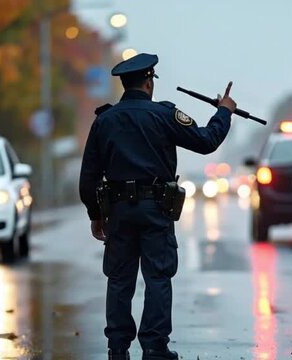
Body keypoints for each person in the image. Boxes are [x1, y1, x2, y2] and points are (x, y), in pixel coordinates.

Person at [79, 53, 237, 360]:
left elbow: (88, 178)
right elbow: (206, 141)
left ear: (125, 84)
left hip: (119, 212)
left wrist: (95, 215)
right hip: (156, 209)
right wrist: (224, 112)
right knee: (158, 277)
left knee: (120, 278)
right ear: (149, 82)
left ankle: (118, 348)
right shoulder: (164, 115)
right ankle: (154, 348)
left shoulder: (105, 121)